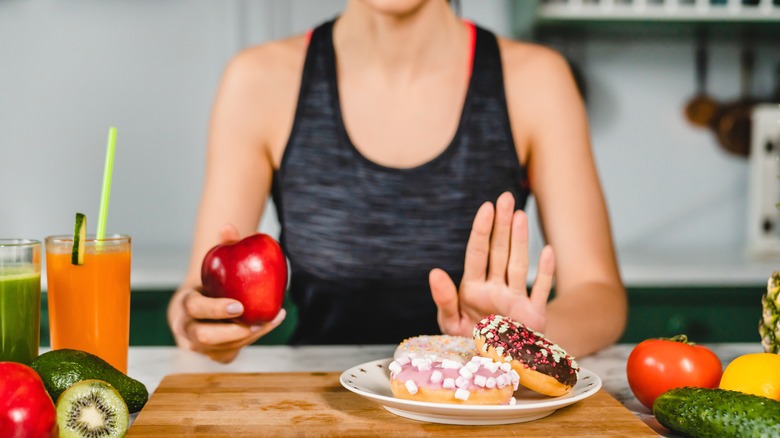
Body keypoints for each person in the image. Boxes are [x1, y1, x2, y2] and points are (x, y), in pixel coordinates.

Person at [167, 0, 627, 364]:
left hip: (481, 408)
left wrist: (517, 339)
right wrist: (200, 323)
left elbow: (600, 295)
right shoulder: (257, 80)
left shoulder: (537, 79)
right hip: (319, 409)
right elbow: (192, 297)